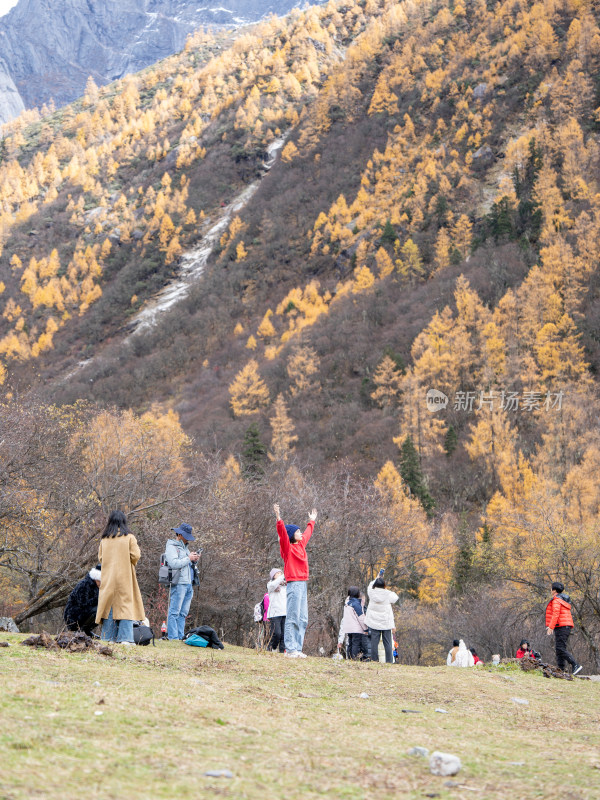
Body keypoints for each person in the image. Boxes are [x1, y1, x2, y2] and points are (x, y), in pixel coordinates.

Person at [274, 502, 318, 659]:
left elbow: (308, 533)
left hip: (303, 584)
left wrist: (312, 520)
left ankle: (298, 648)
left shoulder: (301, 545)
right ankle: (290, 649)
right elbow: (282, 534)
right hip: (293, 584)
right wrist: (279, 518)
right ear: (292, 535)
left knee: (303, 618)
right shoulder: (287, 548)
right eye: (298, 532)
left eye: (300, 531)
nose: (301, 533)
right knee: (292, 617)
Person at [96, 510, 144, 644]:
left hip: (108, 577)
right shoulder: (129, 537)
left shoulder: (104, 540)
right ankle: (125, 638)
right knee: (125, 605)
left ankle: (108, 636)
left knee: (109, 606)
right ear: (123, 522)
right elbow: (136, 556)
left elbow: (101, 558)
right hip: (125, 577)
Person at [165, 523, 200, 641]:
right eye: (186, 536)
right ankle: (173, 637)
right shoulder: (172, 546)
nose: (187, 538)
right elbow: (173, 563)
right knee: (174, 612)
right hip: (179, 582)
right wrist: (188, 558)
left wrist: (193, 560)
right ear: (179, 535)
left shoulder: (185, 548)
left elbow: (186, 564)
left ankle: (180, 636)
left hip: (189, 583)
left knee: (183, 613)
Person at [546, 581, 582, 675]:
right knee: (559, 649)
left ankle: (575, 665)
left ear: (554, 590)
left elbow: (556, 613)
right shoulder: (562, 599)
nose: (550, 590)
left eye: (551, 588)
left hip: (562, 626)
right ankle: (561, 669)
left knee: (560, 648)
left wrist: (551, 626)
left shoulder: (557, 600)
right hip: (564, 626)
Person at [365, 571, 398, 663]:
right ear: (384, 586)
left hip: (374, 622)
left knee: (374, 642)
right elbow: (395, 597)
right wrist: (386, 589)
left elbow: (370, 585)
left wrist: (377, 577)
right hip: (385, 622)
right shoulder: (388, 594)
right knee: (387, 642)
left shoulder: (371, 592)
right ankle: (389, 661)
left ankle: (374, 660)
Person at [64, 565, 102, 636]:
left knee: (102, 610)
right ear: (95, 578)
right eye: (100, 581)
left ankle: (86, 630)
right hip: (73, 616)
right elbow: (83, 604)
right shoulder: (84, 585)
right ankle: (81, 630)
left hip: (82, 614)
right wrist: (98, 598)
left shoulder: (95, 586)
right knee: (98, 610)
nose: (101, 583)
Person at [337, 586, 369, 660]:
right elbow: (361, 617)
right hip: (356, 628)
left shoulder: (347, 604)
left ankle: (349, 657)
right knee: (355, 644)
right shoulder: (356, 604)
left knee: (350, 643)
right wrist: (365, 628)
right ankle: (354, 658)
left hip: (348, 628)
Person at [266, 568, 286, 652]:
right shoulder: (271, 584)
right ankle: (272, 647)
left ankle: (282, 651)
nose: (280, 574)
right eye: (277, 573)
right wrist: (283, 575)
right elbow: (274, 584)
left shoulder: (285, 586)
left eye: (280, 573)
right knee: (276, 633)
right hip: (275, 613)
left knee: (284, 635)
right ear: (273, 576)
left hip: (285, 612)